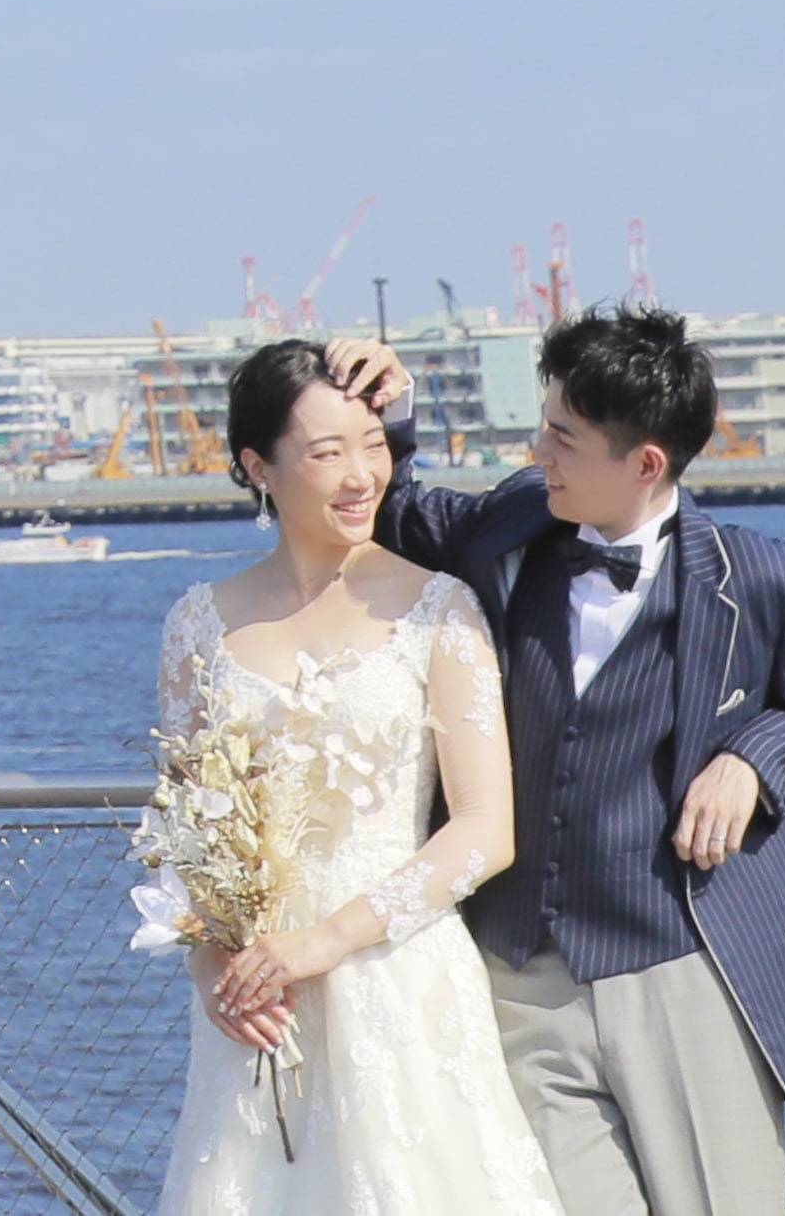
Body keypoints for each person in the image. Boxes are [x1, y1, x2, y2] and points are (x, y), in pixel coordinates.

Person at [304, 313, 785, 1216]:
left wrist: (752, 757)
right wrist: (392, 404)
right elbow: (401, 515)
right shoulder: (512, 523)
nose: (538, 452)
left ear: (645, 462)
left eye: (562, 437)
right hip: (518, 975)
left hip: (687, 964)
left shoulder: (762, 577)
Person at [145, 337, 570, 1216]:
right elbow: (184, 832)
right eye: (325, 451)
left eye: (372, 445)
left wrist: (328, 939)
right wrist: (213, 969)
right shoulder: (197, 624)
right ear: (257, 466)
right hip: (256, 998)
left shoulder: (437, 607)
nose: (359, 475)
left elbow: (485, 830)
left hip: (397, 974)